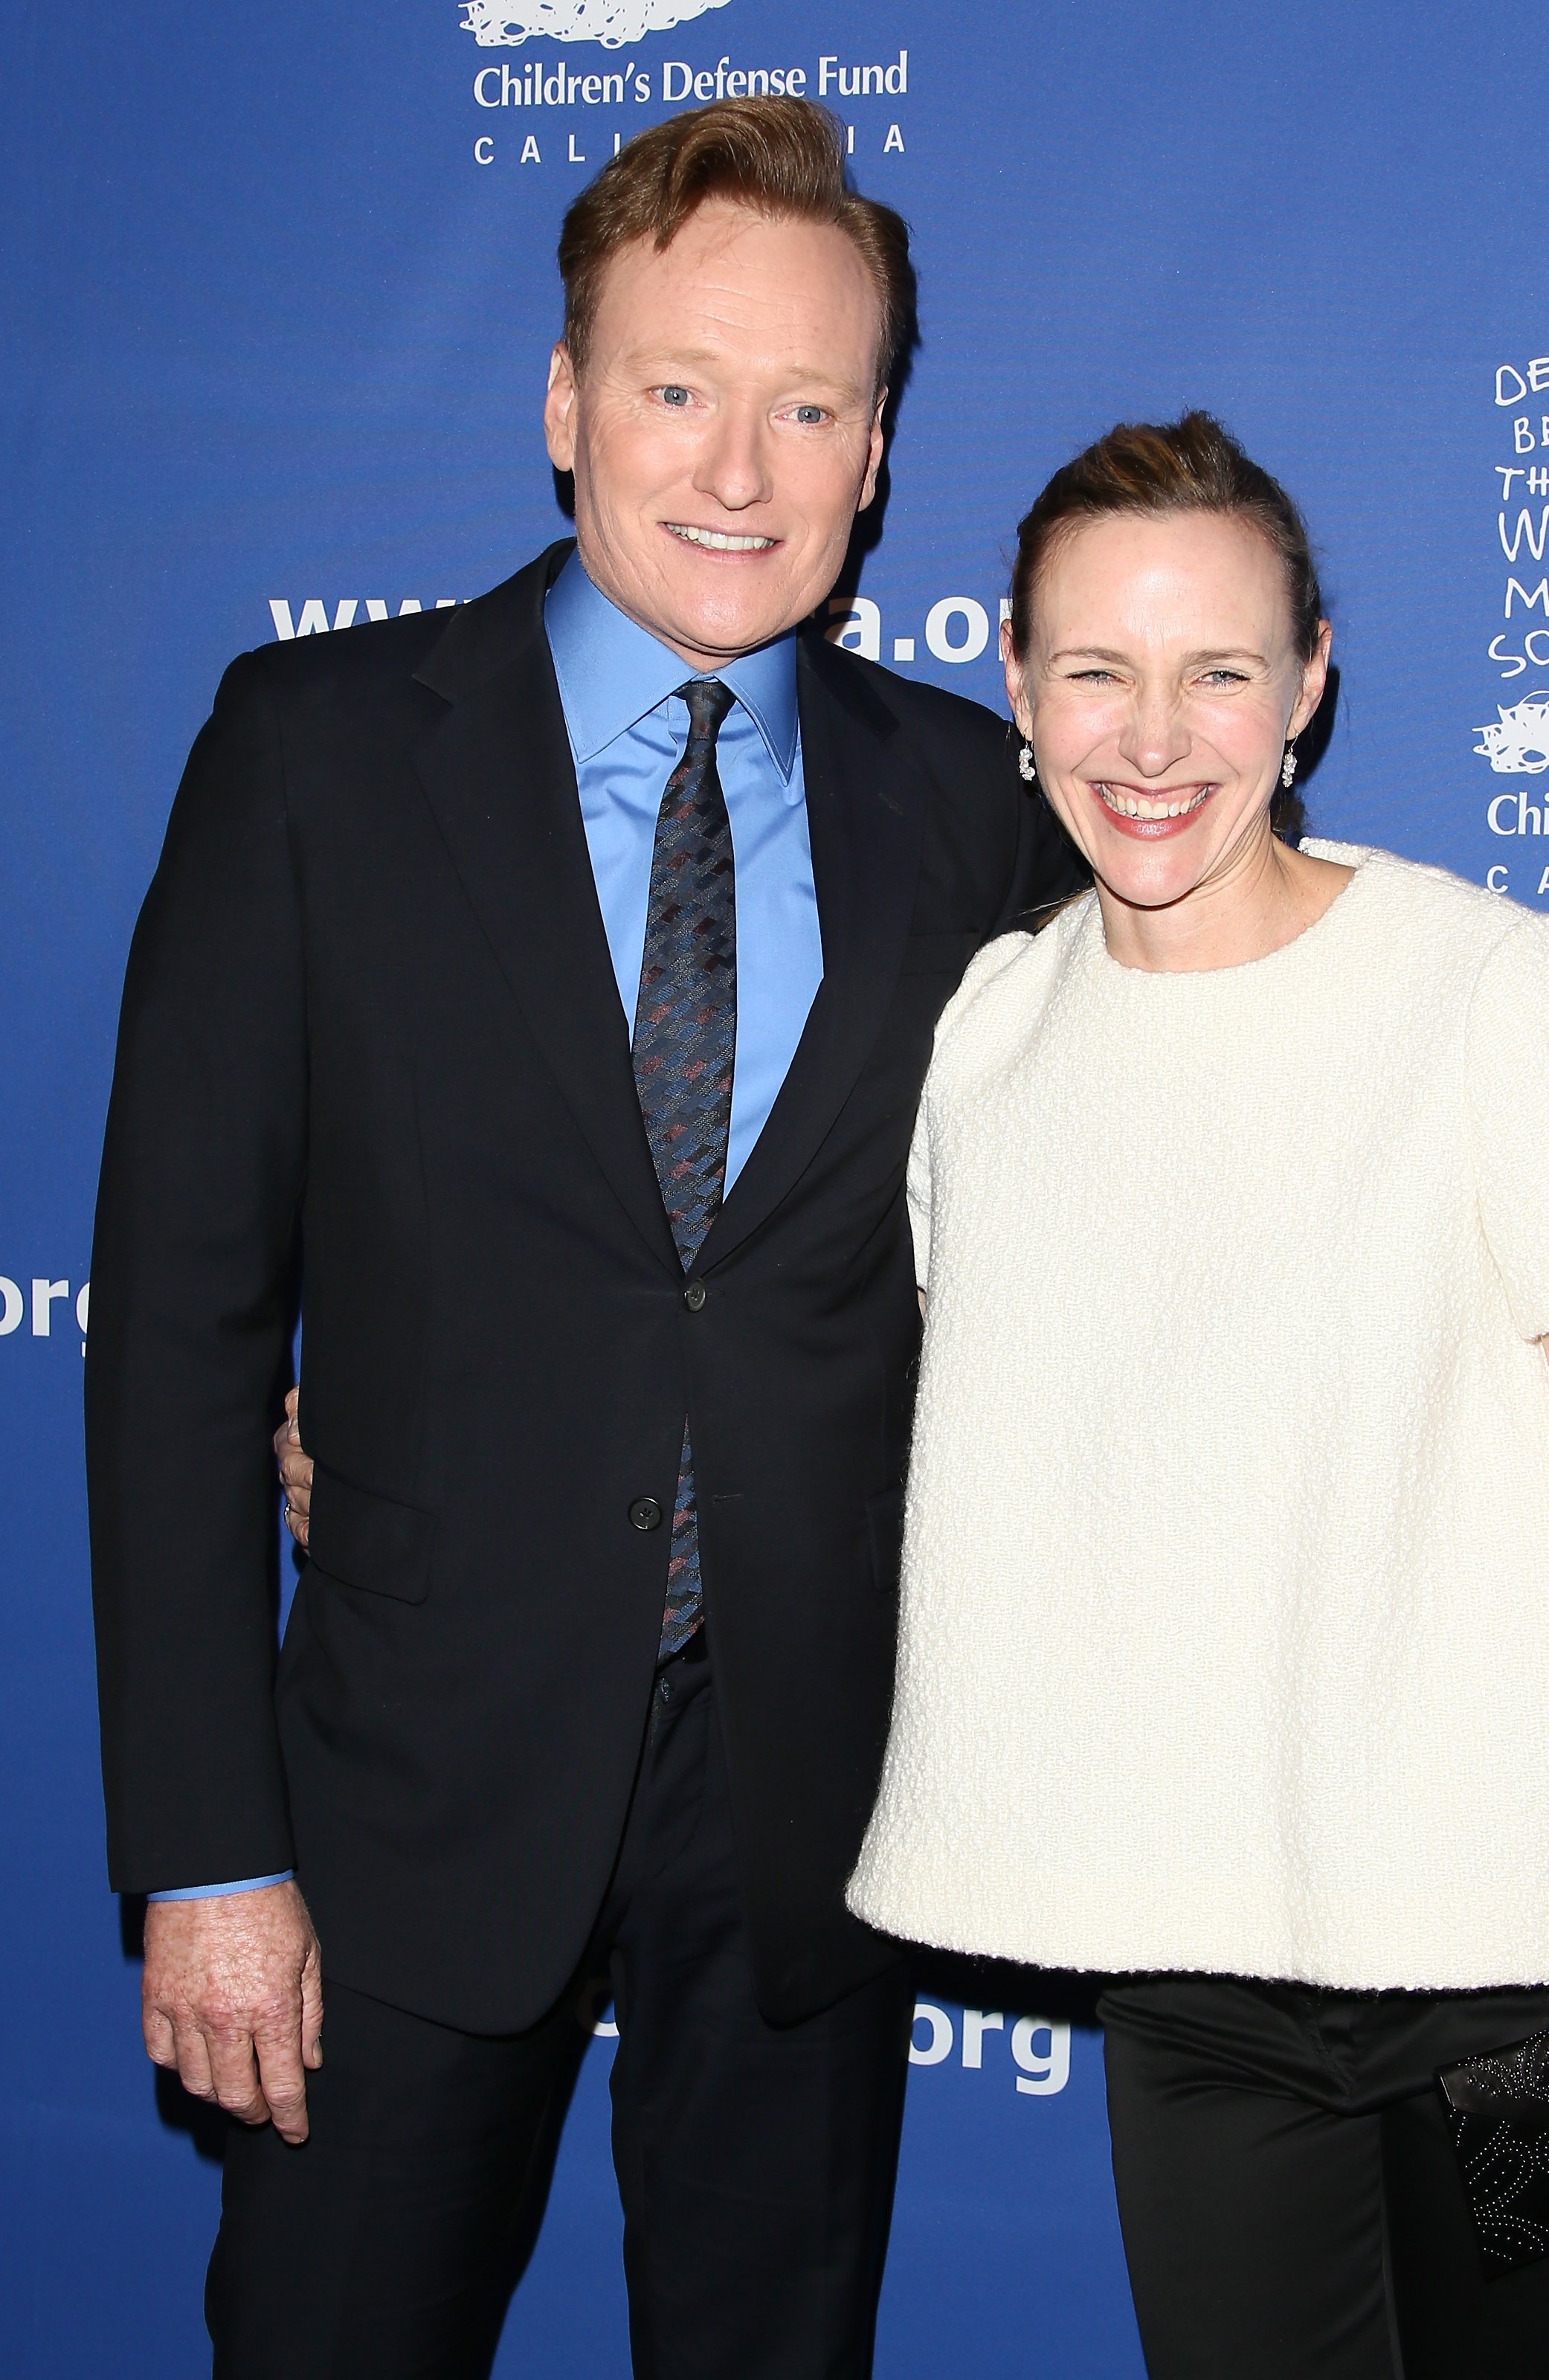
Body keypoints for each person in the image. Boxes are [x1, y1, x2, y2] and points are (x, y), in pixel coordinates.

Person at [86, 97, 1083, 2380]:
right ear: (564, 406)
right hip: (400, 1815)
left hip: (811, 1819)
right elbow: (171, 1337)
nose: (739, 470)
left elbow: (1223, 1176)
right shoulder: (313, 756)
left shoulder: (977, 811)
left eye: (806, 406)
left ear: (876, 453)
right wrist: (207, 1855)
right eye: (676, 388)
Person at [846, 413, 1549, 2379]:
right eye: (1096, 670)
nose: (1153, 737)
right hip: (1203, 1986)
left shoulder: (1490, 991)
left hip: (1548, 1978)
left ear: (1312, 686)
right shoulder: (992, 1033)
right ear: (1015, 683)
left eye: (1218, 672)